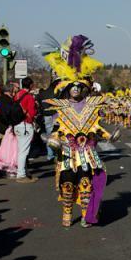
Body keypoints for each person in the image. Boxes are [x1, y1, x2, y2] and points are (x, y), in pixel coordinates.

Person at [41, 33, 116, 227]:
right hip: (68, 152)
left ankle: (85, 215)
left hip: (88, 153)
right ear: (67, 88)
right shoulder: (62, 106)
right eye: (72, 86)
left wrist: (110, 136)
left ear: (84, 88)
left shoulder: (91, 105)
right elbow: (57, 128)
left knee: (85, 185)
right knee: (67, 185)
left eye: (79, 86)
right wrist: (53, 140)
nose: (75, 89)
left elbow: (97, 128)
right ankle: (67, 212)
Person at [14, 78, 37, 183]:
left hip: (17, 124)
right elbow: (32, 113)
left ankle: (25, 172)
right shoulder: (29, 97)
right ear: (31, 85)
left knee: (21, 150)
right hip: (25, 125)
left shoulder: (17, 95)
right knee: (24, 151)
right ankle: (21, 174)